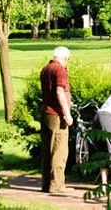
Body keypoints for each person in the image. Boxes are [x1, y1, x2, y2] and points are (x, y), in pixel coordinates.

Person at [40, 46, 73, 194]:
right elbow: (60, 91)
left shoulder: (46, 68)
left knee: (48, 150)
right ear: (65, 58)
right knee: (59, 150)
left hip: (46, 113)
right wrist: (66, 114)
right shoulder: (59, 70)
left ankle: (46, 184)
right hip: (56, 114)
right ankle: (57, 185)